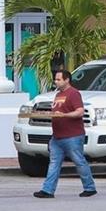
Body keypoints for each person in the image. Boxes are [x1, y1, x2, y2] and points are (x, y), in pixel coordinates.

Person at [33, 69, 97, 198]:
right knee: (54, 163)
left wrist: (64, 115)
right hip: (57, 136)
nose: (56, 82)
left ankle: (90, 188)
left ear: (67, 80)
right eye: (55, 79)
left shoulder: (73, 93)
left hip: (72, 136)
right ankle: (47, 190)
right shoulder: (58, 95)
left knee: (79, 161)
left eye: (59, 79)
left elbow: (80, 112)